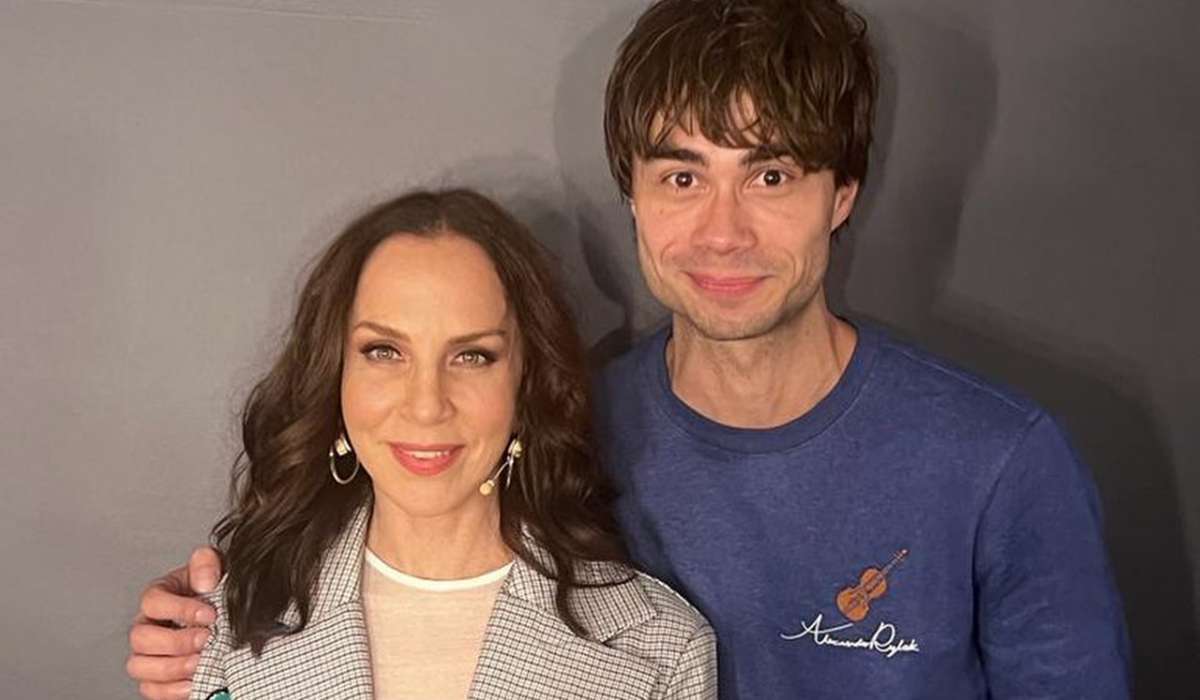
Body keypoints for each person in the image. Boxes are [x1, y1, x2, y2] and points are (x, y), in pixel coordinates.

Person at [128, 1, 1131, 698]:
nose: (723, 232)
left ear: (843, 195)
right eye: (682, 178)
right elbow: (392, 563)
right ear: (635, 198)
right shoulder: (558, 425)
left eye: (771, 176)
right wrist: (207, 627)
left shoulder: (999, 462)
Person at [129, 188, 716, 700]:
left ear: (527, 382)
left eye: (472, 356)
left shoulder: (660, 650)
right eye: (384, 352)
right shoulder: (222, 625)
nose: (427, 404)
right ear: (334, 375)